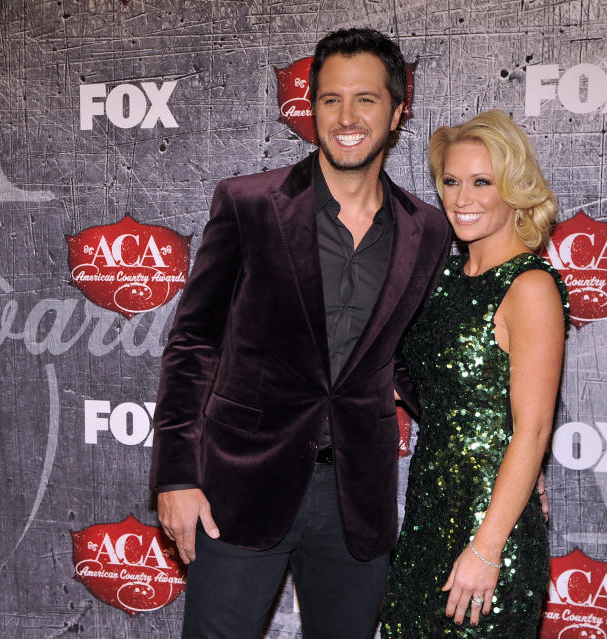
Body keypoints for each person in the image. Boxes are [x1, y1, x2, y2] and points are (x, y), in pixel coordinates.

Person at [149, 28, 452, 639]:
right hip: (239, 487)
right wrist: (177, 475)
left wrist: (499, 457)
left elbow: (414, 365)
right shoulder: (248, 205)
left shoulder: (429, 230)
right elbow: (193, 344)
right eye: (330, 99)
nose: (346, 117)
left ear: (397, 112)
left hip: (356, 500)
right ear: (310, 108)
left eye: (365, 100)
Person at [380, 110, 569, 637]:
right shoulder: (442, 277)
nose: (462, 199)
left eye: (482, 182)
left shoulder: (529, 287)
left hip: (490, 528)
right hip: (427, 514)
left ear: (514, 189)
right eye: (451, 181)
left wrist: (487, 549)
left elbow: (531, 431)